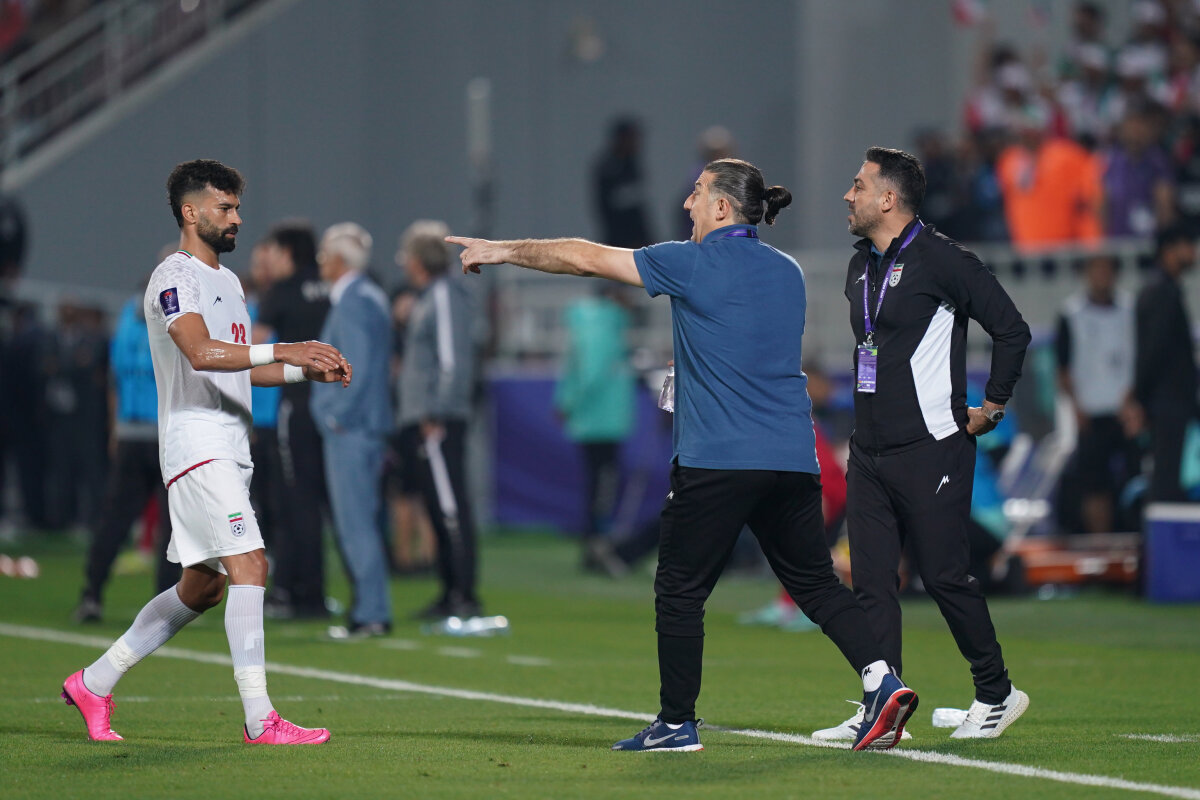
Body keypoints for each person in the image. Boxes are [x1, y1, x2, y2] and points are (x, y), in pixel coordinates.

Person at [448, 157, 918, 753]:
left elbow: (584, 257)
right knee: (817, 586)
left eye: (697, 193)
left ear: (722, 207)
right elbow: (746, 341)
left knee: (678, 589)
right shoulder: (788, 271)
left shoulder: (690, 260)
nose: (688, 203)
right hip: (792, 456)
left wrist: (503, 250)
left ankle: (676, 723)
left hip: (718, 457)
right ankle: (881, 681)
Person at [60, 159, 350, 744]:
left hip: (230, 447)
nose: (236, 218)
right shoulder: (175, 275)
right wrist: (286, 348)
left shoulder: (231, 283)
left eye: (237, 207)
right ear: (191, 212)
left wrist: (301, 373)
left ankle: (94, 682)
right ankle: (260, 719)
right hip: (197, 445)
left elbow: (237, 367)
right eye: (225, 207)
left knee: (203, 588)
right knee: (252, 563)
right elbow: (198, 351)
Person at [816, 147, 1031, 743]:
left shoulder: (942, 258)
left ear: (888, 198)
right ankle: (883, 708)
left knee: (943, 577)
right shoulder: (860, 265)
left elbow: (1012, 329)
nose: (848, 195)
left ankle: (997, 692)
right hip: (869, 452)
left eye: (858, 185)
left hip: (931, 446)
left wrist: (993, 406)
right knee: (871, 583)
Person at [73, 275, 180, 623]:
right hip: (166, 434)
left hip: (130, 433)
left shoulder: (126, 319)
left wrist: (115, 428)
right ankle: (165, 608)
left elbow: (115, 378)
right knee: (172, 525)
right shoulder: (176, 314)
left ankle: (92, 594)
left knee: (114, 519)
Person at [397, 220, 485, 621]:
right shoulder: (432, 295)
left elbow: (452, 359)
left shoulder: (445, 294)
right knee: (438, 505)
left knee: (450, 505)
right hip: (428, 417)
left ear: (419, 259)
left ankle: (462, 593)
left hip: (438, 419)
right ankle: (450, 590)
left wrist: (437, 411)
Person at [312, 222, 394, 637]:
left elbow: (355, 366)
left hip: (352, 428)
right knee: (361, 522)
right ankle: (368, 608)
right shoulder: (369, 296)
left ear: (341, 260)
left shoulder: (354, 301)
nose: (320, 263)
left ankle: (371, 612)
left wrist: (335, 415)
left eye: (325, 255)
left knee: (355, 524)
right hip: (363, 425)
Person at [256, 221, 331, 620]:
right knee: (321, 503)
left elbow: (254, 346)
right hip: (333, 406)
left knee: (292, 501)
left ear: (286, 253)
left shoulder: (281, 292)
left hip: (296, 405)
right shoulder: (331, 287)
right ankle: (316, 592)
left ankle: (294, 591)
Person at [554, 284, 636, 571]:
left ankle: (593, 547)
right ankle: (597, 548)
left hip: (592, 420)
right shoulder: (605, 326)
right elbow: (593, 373)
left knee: (596, 485)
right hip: (604, 420)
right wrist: (571, 402)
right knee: (603, 486)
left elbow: (576, 369)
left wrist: (566, 401)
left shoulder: (587, 324)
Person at [1056, 254, 1139, 533]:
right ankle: (1100, 541)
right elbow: (1063, 367)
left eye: (1106, 269)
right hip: (1090, 412)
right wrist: (1076, 408)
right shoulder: (1072, 313)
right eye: (1096, 270)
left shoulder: (1131, 310)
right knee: (1093, 484)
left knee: (1135, 478)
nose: (1102, 276)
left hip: (1126, 411)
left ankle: (1136, 537)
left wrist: (1134, 401)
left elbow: (1140, 359)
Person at [1129, 222, 1198, 503]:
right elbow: (1152, 352)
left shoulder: (1166, 289)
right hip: (1166, 401)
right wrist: (1140, 398)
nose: (1193, 253)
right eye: (1188, 246)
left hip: (1169, 400)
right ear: (1169, 251)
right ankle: (1161, 528)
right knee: (1166, 478)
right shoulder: (1160, 292)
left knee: (1172, 474)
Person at [592, 117, 654, 248]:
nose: (636, 143)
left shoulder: (632, 165)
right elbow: (608, 209)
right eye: (631, 138)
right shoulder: (609, 168)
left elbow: (639, 207)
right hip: (618, 241)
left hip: (639, 240)